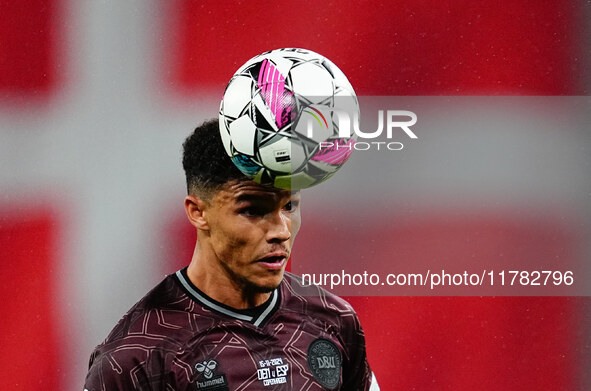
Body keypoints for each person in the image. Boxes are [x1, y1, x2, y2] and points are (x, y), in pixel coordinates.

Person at [83, 119, 379, 390]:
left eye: (289, 206)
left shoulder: (334, 319)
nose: (281, 230)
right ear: (198, 212)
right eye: (252, 209)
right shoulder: (134, 359)